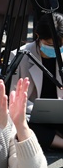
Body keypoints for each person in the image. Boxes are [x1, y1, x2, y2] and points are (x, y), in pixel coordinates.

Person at [11, 13, 63, 150]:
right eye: (50, 44)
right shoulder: (21, 55)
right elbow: (13, 95)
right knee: (22, 126)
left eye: (60, 45)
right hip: (32, 116)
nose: (55, 50)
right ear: (38, 36)